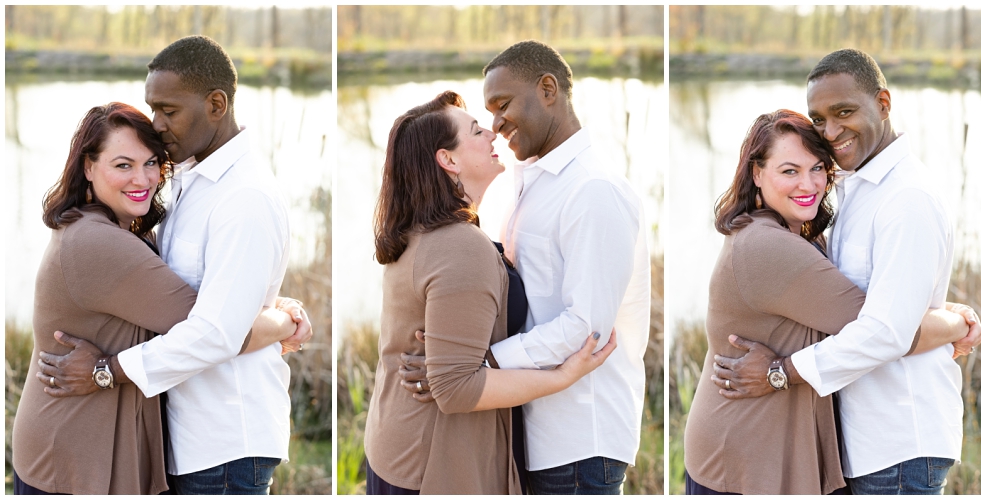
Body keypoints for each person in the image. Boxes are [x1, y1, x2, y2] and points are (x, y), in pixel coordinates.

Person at [32, 35, 313, 495]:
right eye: (153, 108)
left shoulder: (244, 198)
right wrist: (281, 316)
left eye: (169, 110)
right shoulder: (191, 177)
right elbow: (202, 294)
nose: (156, 124)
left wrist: (106, 370)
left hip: (224, 442)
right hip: (188, 435)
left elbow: (215, 332)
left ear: (217, 104)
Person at [712, 49, 981, 495]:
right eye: (819, 119)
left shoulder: (906, 199)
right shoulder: (856, 185)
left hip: (898, 442)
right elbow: (873, 297)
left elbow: (885, 330)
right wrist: (951, 314)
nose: (831, 132)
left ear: (883, 103)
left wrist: (780, 372)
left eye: (844, 112)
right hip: (863, 441)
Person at [398, 40, 650, 495]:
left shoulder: (594, 191)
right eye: (488, 113)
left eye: (503, 105)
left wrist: (479, 363)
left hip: (578, 440)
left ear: (548, 89)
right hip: (527, 424)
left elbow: (586, 328)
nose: (494, 125)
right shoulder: (522, 181)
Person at [365, 90, 617, 495]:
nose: (493, 134)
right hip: (434, 467)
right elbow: (456, 387)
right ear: (448, 160)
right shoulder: (459, 245)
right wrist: (563, 376)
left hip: (398, 448)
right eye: (477, 131)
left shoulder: (419, 231)